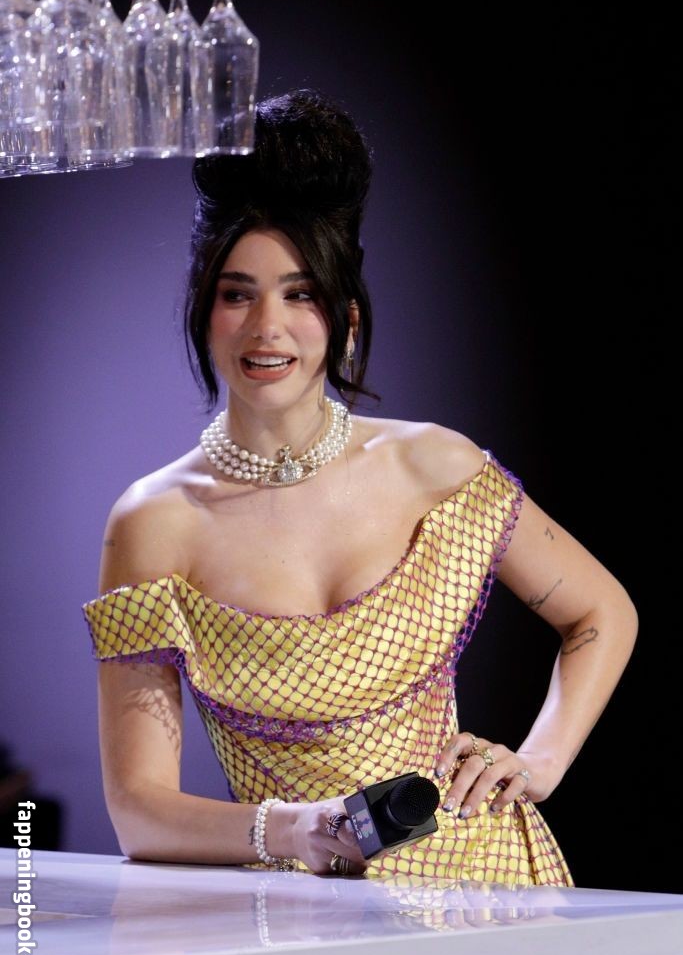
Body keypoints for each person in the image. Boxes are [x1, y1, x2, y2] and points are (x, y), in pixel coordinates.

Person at [82, 88, 638, 885]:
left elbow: (600, 611)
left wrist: (541, 759)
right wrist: (294, 829)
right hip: (301, 917)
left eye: (299, 293)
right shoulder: (153, 522)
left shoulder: (433, 467)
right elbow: (140, 813)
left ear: (345, 317)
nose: (266, 327)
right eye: (237, 293)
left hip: (489, 888)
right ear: (203, 312)